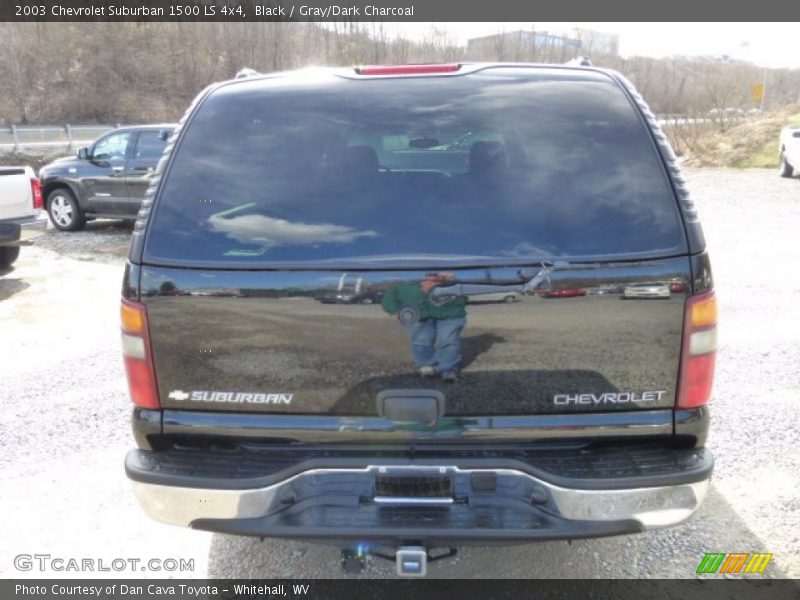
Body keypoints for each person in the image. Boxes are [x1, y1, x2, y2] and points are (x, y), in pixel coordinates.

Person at [381, 272, 467, 382]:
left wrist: (448, 282)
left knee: (448, 340)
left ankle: (448, 369)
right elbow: (391, 294)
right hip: (417, 313)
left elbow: (463, 295)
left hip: (451, 313)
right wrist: (395, 310)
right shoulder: (407, 275)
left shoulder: (451, 277)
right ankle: (427, 367)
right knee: (420, 341)